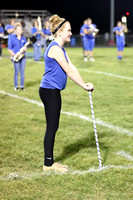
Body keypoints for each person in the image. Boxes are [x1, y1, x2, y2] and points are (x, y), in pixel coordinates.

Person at [39, 14, 94, 172]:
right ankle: (48, 164)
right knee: (52, 126)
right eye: (69, 30)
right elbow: (69, 72)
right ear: (59, 32)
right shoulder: (55, 49)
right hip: (49, 91)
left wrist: (85, 82)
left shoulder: (60, 49)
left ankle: (50, 161)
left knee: (53, 126)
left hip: (52, 90)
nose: (71, 33)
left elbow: (72, 67)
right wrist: (83, 86)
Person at [8, 22, 27, 91]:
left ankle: (22, 86)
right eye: (18, 29)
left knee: (22, 72)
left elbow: (25, 47)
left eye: (21, 29)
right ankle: (16, 86)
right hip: (16, 57)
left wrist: (25, 49)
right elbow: (9, 49)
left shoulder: (24, 38)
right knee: (16, 72)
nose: (20, 31)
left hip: (23, 57)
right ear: (15, 31)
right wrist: (14, 55)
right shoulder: (12, 38)